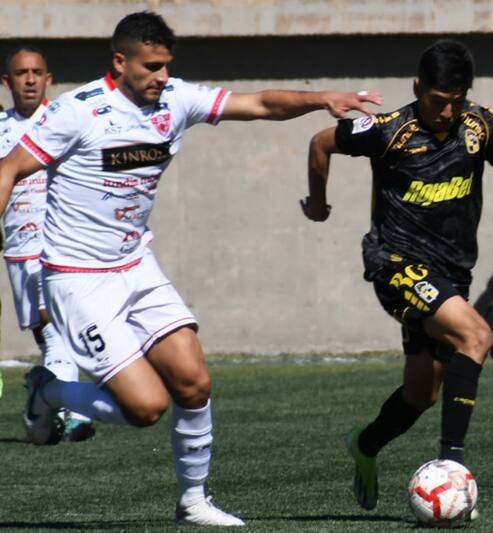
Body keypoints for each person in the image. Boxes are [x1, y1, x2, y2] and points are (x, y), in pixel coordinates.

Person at [0, 11, 381, 527]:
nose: (162, 76)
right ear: (120, 61)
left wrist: (323, 99)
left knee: (194, 382)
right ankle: (48, 390)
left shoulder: (175, 99)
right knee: (145, 408)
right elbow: (9, 169)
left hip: (137, 265)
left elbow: (260, 104)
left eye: (166, 65)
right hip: (78, 278)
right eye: (151, 66)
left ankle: (193, 501)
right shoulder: (77, 111)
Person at [302, 39, 493, 512]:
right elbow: (321, 142)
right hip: (395, 264)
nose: (446, 112)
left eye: (456, 101)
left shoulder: (480, 124)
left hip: (451, 274)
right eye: (437, 100)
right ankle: (452, 468)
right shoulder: (388, 130)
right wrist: (319, 204)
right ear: (417, 88)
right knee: (477, 337)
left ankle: (365, 444)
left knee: (421, 393)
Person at [1, 45, 96, 442]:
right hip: (19, 250)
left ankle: (72, 413)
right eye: (21, 73)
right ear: (7, 81)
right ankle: (48, 402)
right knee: (49, 335)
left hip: (61, 245)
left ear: (48, 79)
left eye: (36, 72)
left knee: (57, 328)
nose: (29, 80)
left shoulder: (63, 120)